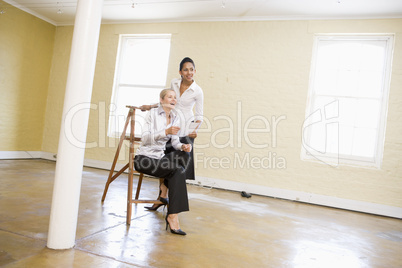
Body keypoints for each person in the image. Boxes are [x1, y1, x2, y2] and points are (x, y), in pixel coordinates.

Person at [140, 57, 204, 210]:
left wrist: (194, 131)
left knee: (178, 165)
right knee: (164, 160)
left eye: (191, 69)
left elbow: (199, 116)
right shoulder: (174, 83)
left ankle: (167, 197)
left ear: (195, 71)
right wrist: (150, 106)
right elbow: (167, 101)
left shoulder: (198, 91)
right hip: (170, 126)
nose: (189, 72)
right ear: (180, 71)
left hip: (185, 130)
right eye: (185, 69)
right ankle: (162, 195)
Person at [134, 88, 192, 236]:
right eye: (169, 97)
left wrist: (183, 146)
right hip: (144, 159)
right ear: (161, 100)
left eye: (174, 98)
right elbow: (145, 139)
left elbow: (174, 143)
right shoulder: (152, 114)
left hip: (159, 160)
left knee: (185, 156)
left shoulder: (175, 117)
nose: (173, 100)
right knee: (177, 171)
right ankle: (172, 215)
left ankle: (168, 201)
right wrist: (165, 132)